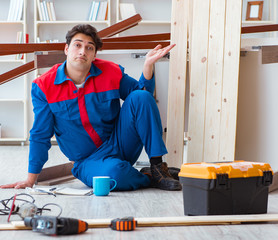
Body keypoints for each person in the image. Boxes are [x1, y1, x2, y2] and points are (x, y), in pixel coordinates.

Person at [0, 24, 181, 191]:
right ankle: (147, 176)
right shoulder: (43, 86)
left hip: (120, 143)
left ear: (94, 55)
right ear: (66, 49)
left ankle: (157, 168)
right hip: (87, 161)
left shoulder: (111, 72)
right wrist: (30, 180)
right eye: (77, 45)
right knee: (113, 176)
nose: (82, 51)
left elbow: (142, 100)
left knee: (140, 97)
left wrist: (147, 65)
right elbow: (40, 134)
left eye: (89, 47)